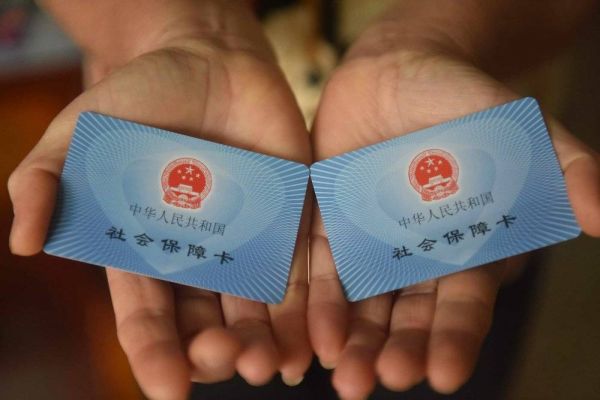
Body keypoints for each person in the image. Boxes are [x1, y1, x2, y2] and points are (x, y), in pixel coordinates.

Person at [8, 1, 600, 399]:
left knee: (440, 358)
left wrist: (435, 37)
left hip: (462, 150)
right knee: (213, 357)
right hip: (175, 167)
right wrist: (182, 32)